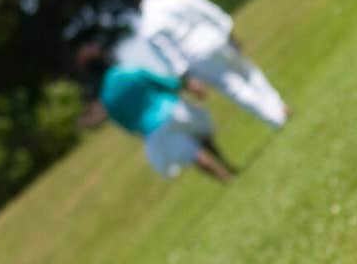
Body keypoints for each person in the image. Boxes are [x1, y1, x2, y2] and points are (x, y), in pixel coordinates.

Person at [117, 0, 291, 130]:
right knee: (249, 71)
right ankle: (278, 105)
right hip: (214, 38)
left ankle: (275, 118)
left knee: (235, 89)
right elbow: (208, 10)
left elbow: (171, 57)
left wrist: (188, 80)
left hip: (196, 57)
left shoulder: (148, 26)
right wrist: (229, 31)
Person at [75, 43, 237, 183]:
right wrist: (186, 86)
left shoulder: (106, 98)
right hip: (174, 109)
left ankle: (225, 178)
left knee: (192, 154)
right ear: (104, 58)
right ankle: (227, 164)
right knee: (202, 137)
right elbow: (165, 83)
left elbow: (128, 126)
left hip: (152, 129)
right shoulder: (130, 71)